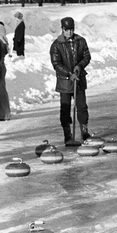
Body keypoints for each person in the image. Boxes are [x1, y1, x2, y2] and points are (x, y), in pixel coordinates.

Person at [50, 16, 92, 145]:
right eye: (67, 30)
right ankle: (67, 134)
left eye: (71, 29)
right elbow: (56, 63)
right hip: (65, 81)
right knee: (65, 108)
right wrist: (69, 73)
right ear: (62, 29)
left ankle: (84, 131)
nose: (69, 32)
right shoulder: (57, 44)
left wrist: (79, 66)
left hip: (78, 80)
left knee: (82, 107)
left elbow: (87, 56)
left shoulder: (80, 41)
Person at [0, 21, 12, 121]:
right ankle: (3, 113)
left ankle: (4, 114)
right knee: (0, 91)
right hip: (1, 67)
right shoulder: (5, 40)